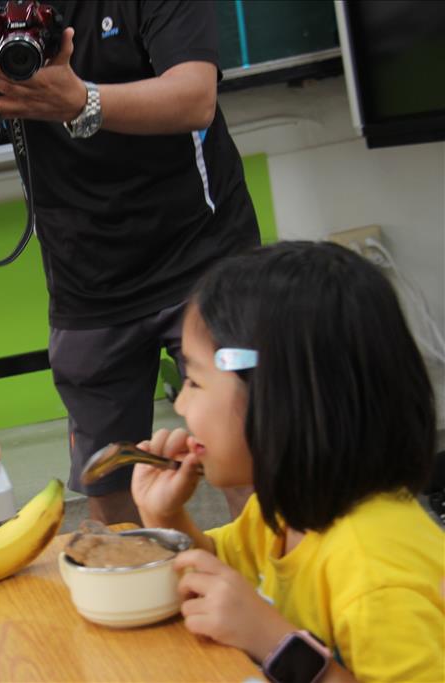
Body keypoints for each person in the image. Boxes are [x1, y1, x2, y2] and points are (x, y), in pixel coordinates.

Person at [0, 1, 260, 523]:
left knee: (250, 459)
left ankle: (280, 593)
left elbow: (195, 97)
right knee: (108, 484)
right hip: (85, 276)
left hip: (203, 258)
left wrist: (80, 100)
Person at [132, 241, 443, 682]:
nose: (180, 404)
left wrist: (276, 643)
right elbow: (220, 578)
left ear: (277, 399)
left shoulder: (374, 570)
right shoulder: (289, 509)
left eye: (195, 382)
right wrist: (166, 517)